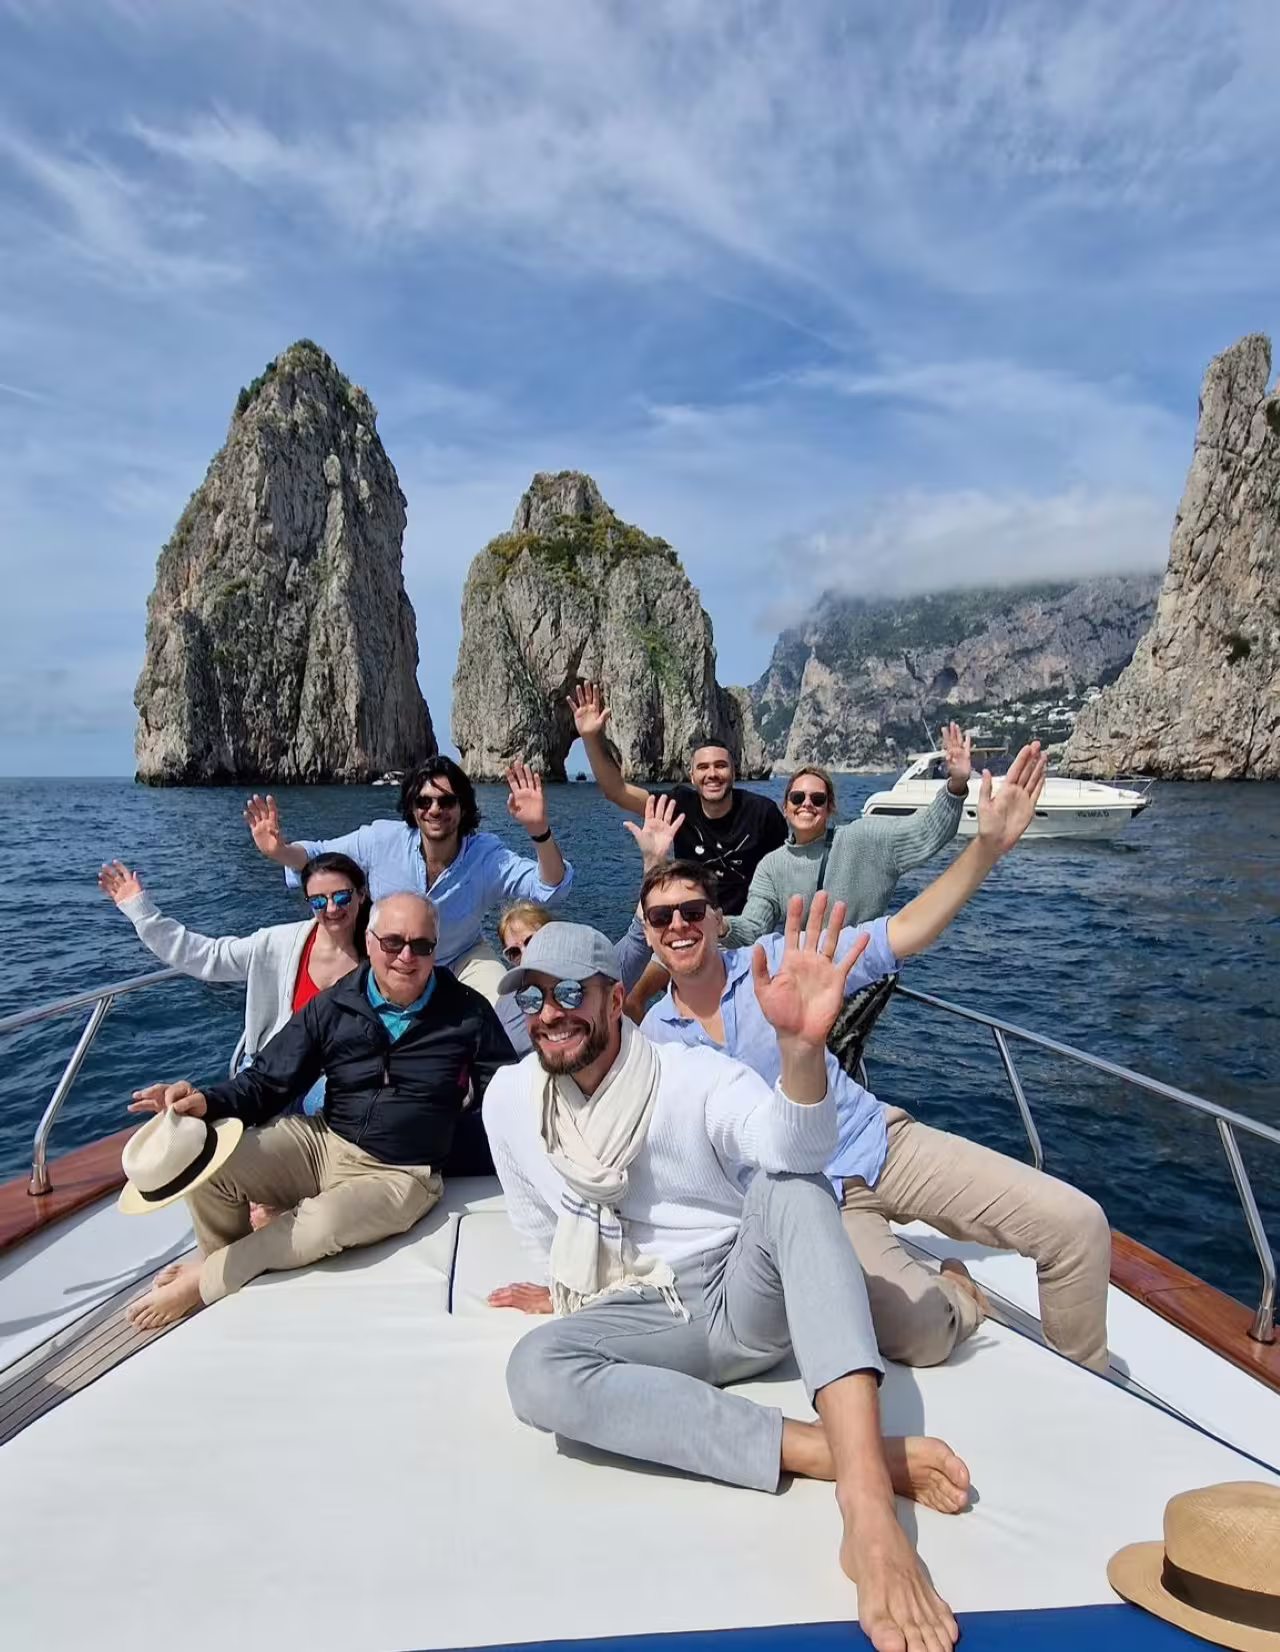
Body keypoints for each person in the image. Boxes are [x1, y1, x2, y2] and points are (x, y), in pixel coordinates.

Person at [483, 918, 967, 1652]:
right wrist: (563, 1292)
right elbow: (536, 1220)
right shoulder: (509, 1101)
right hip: (641, 1314)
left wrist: (802, 1052)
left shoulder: (690, 1077)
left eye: (572, 993)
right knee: (534, 1370)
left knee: (796, 1187)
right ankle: (832, 1449)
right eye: (533, 999)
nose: (551, 1013)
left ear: (617, 1002)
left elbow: (794, 1143)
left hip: (741, 1293)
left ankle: (866, 1507)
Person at [638, 744, 1112, 1375]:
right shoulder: (656, 1041)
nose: (679, 925)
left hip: (879, 1140)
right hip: (814, 1198)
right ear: (646, 931)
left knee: (1077, 1226)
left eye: (693, 911)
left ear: (720, 920)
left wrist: (986, 849)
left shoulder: (783, 961)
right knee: (919, 1336)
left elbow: (907, 929)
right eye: (662, 916)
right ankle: (960, 1293)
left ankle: (1088, 1396)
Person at [123, 892, 516, 1331]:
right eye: (393, 943)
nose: (407, 957)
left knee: (321, 1224)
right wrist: (208, 1102)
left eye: (422, 945)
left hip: (401, 1172)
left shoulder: (467, 1012)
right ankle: (226, 1263)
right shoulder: (335, 1004)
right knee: (209, 1165)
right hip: (323, 1141)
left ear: (435, 948)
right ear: (369, 942)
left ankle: (206, 1279)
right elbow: (269, 1080)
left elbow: (507, 1094)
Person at [243, 757, 573, 1004]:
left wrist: (538, 830)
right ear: (413, 808)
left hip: (460, 957)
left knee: (505, 1007)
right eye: (424, 801)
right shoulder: (381, 840)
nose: (435, 809)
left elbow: (549, 888)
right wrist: (280, 851)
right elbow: (320, 857)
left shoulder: (487, 856)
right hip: (395, 958)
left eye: (447, 801)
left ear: (462, 807)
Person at [98, 853, 369, 1115]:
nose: (332, 908)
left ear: (361, 894)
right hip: (269, 1074)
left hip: (332, 1080)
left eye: (342, 897)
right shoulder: (277, 944)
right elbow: (207, 956)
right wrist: (141, 911)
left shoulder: (383, 955)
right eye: (319, 901)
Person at [724, 722, 973, 946]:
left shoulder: (865, 839)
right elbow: (753, 929)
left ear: (830, 807)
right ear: (785, 807)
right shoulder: (771, 866)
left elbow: (928, 830)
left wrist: (956, 785)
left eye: (817, 799)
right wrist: (722, 926)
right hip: (809, 978)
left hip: (862, 976)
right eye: (797, 797)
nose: (806, 803)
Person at [568, 682, 785, 916]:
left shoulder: (762, 813)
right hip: (691, 924)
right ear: (692, 776)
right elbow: (617, 792)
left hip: (747, 931)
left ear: (734, 771)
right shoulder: (679, 805)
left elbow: (786, 871)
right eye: (703, 767)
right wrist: (590, 737)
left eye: (720, 766)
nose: (712, 774)